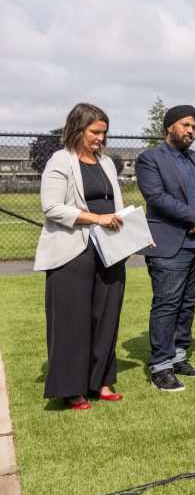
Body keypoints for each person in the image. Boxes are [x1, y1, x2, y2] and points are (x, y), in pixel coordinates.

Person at [34, 103, 126, 409]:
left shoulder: (108, 164)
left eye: (104, 132)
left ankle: (100, 380)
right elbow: (52, 207)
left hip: (110, 249)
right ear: (78, 129)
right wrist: (95, 219)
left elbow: (116, 205)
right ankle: (71, 387)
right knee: (72, 320)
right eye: (95, 132)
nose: (101, 138)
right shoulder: (59, 161)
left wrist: (136, 234)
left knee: (107, 315)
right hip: (72, 250)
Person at [136, 104, 195, 392]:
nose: (191, 131)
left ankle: (179, 356)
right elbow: (157, 197)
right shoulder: (149, 159)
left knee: (188, 303)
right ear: (169, 126)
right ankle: (160, 366)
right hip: (170, 243)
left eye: (194, 126)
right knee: (167, 303)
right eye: (185, 125)